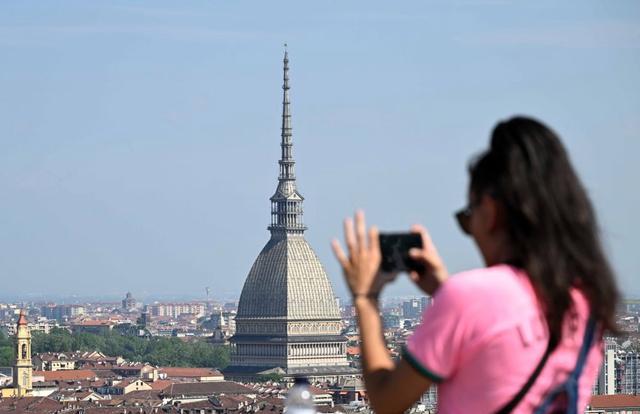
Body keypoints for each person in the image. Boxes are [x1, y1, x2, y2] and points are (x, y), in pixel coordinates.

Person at [332, 116, 619, 413]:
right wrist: (445, 291)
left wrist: (366, 298)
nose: (470, 231)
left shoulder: (468, 298)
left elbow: (386, 401)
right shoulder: (589, 300)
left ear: (491, 212)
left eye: (468, 215)